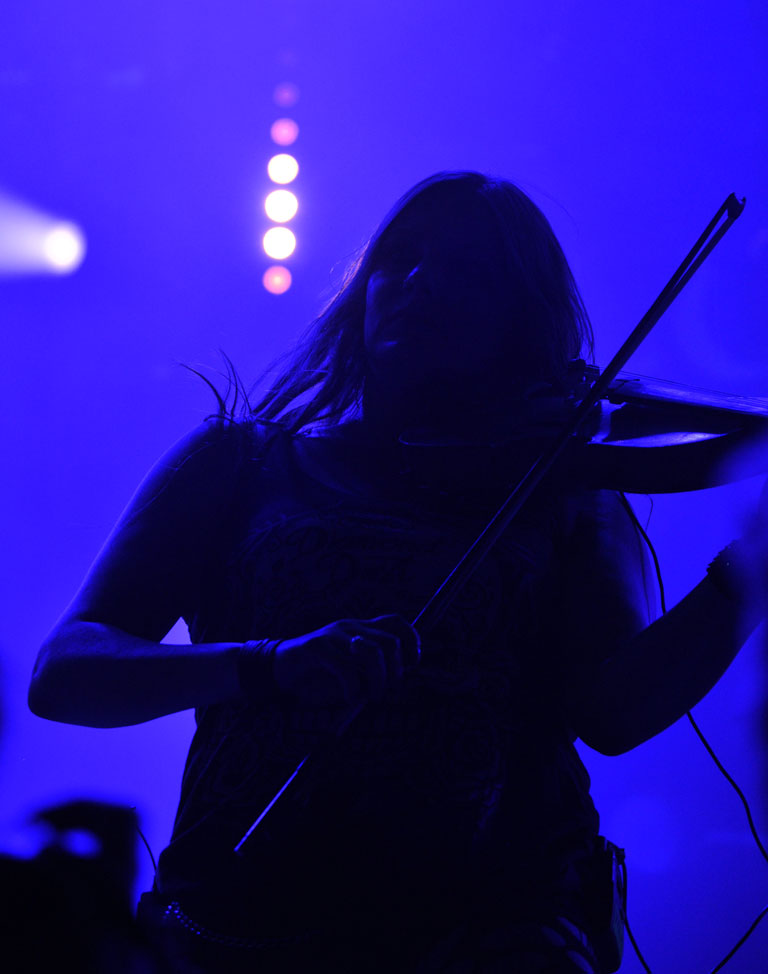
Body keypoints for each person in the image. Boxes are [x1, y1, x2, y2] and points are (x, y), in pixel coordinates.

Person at [28, 171, 768, 974]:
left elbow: (616, 712)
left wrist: (751, 568)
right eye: (402, 256)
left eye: (468, 269)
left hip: (500, 930)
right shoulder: (242, 463)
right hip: (240, 919)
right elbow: (66, 671)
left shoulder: (566, 485)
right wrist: (266, 665)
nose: (421, 281)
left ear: (522, 317)